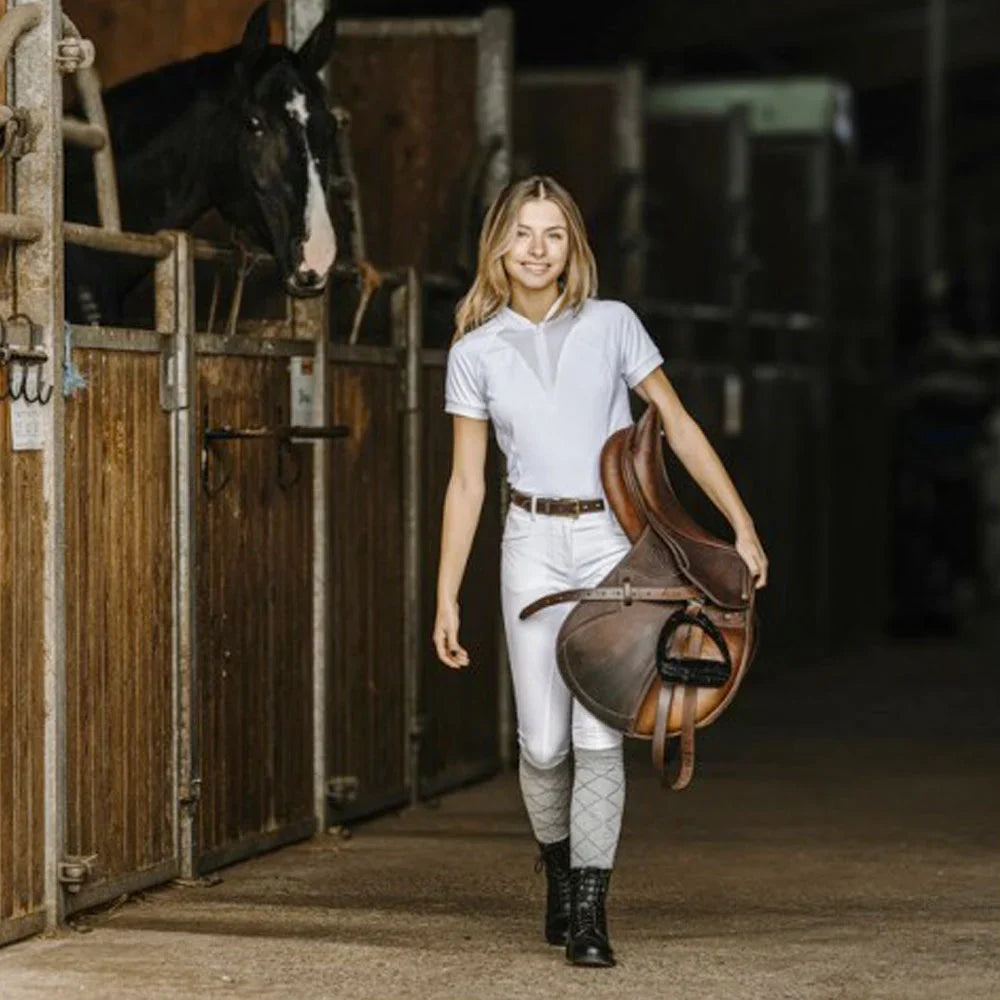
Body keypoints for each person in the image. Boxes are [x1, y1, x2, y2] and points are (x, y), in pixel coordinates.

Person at [433, 175, 767, 968]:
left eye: (553, 234)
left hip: (613, 547)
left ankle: (589, 909)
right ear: (499, 248)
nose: (538, 249)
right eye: (523, 234)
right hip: (531, 542)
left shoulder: (614, 325)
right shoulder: (474, 350)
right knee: (543, 744)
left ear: (573, 246)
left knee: (597, 734)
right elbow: (468, 482)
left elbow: (678, 429)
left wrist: (740, 524)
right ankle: (557, 867)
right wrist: (445, 592)